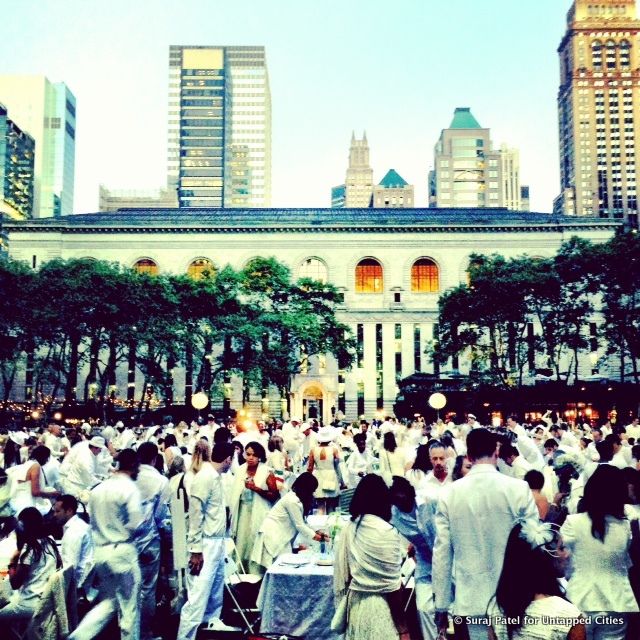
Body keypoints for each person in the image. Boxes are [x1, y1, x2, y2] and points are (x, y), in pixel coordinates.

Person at [432, 428, 539, 640]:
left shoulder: (449, 494)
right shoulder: (519, 489)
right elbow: (534, 545)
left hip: (472, 599)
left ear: (469, 456)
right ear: (496, 452)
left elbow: (442, 554)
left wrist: (441, 605)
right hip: (517, 596)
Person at [560, 465, 638, 639]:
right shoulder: (626, 526)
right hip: (616, 601)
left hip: (580, 600)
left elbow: (562, 559)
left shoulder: (573, 522)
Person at [333, 474, 409, 640]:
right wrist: (403, 629)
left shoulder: (350, 528)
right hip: (382, 608)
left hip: (356, 605)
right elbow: (392, 588)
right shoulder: (387, 532)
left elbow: (345, 574)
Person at [177, 442, 235, 640]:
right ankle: (185, 636)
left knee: (215, 592)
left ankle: (211, 623)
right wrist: (195, 550)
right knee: (198, 596)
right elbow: (195, 514)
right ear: (228, 459)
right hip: (205, 544)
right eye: (231, 460)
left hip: (217, 541)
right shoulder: (204, 477)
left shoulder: (216, 477)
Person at [491, 521, 585, 640]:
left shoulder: (497, 607)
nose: (567, 554)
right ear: (546, 558)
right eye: (561, 548)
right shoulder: (568, 615)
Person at [88, 448, 144, 640]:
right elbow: (136, 524)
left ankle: (79, 636)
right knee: (129, 607)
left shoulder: (98, 489)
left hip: (101, 552)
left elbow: (92, 522)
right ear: (134, 465)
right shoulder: (129, 489)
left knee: (110, 603)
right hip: (122, 550)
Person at [0, 507, 62, 637]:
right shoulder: (49, 542)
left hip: (29, 603)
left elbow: (15, 583)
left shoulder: (30, 548)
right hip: (46, 600)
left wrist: (12, 563)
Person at [390, 476, 437, 640]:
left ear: (411, 495)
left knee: (455, 609)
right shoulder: (393, 513)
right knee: (423, 608)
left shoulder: (430, 501)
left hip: (449, 557)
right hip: (424, 559)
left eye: (404, 500)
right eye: (397, 502)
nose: (402, 504)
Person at [251, 472, 326, 572]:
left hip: (278, 536)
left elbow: (302, 522)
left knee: (283, 568)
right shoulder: (292, 500)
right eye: (312, 491)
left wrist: (316, 532)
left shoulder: (295, 498)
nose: (312, 494)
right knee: (280, 570)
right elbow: (299, 525)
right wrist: (317, 537)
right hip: (272, 536)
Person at [136, 442, 170, 640]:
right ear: (155, 459)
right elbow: (160, 517)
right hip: (148, 541)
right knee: (147, 590)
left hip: (124, 542)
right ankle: (144, 633)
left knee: (126, 591)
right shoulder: (159, 481)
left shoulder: (125, 477)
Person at [229, 441, 279, 571]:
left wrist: (256, 488)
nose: (250, 458)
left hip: (260, 512)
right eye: (248, 454)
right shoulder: (240, 470)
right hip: (243, 512)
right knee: (242, 541)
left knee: (256, 541)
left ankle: (257, 571)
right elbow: (234, 492)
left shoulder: (267, 471)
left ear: (259, 456)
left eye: (254, 455)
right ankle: (241, 571)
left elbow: (274, 495)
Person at [52, 494, 94, 592]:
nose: (54, 515)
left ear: (69, 511)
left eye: (58, 511)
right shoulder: (77, 525)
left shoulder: (74, 531)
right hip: (81, 580)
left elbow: (69, 567)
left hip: (77, 586)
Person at [7, 444, 59, 516]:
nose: (47, 461)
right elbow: (35, 492)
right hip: (26, 504)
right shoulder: (35, 466)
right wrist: (51, 494)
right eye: (47, 458)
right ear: (43, 457)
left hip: (15, 502)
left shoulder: (27, 463)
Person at [307, 426, 345, 512]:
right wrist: (341, 481)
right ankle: (330, 523)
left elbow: (310, 468)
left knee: (320, 505)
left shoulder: (313, 450)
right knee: (331, 505)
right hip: (331, 476)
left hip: (319, 476)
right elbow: (337, 466)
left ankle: (320, 523)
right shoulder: (334, 450)